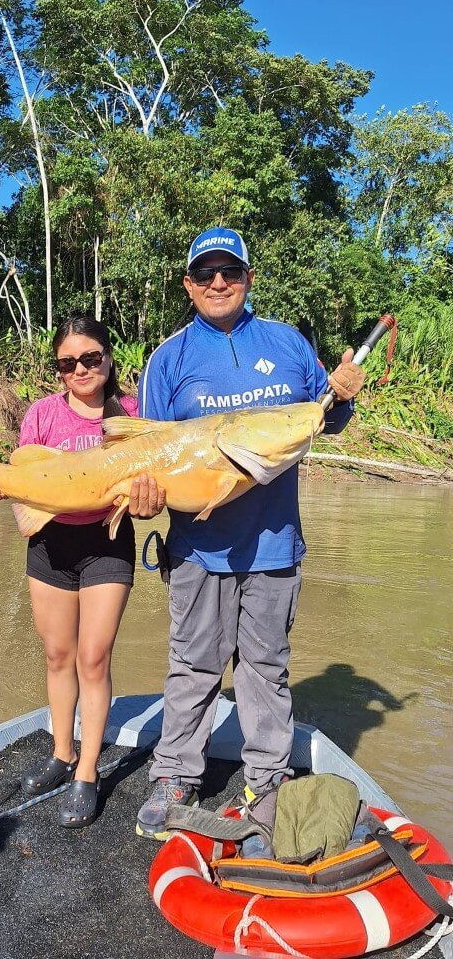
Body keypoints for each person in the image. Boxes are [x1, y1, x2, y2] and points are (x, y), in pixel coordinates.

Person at [132, 227, 366, 840]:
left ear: (248, 279)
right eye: (205, 273)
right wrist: (141, 499)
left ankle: (267, 776)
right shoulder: (170, 358)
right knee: (193, 663)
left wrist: (340, 396)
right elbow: (147, 452)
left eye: (229, 272)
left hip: (273, 542)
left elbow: (325, 418)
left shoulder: (289, 345)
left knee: (266, 666)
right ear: (188, 284)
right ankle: (174, 773)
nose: (217, 283)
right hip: (195, 548)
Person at [0, 314, 138, 828]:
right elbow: (23, 476)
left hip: (107, 541)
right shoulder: (43, 416)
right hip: (50, 543)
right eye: (68, 362)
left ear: (108, 358)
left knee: (93, 658)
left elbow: (151, 486)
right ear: (58, 369)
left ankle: (87, 773)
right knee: (57, 655)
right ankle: (62, 750)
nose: (81, 369)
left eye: (91, 358)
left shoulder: (129, 417)